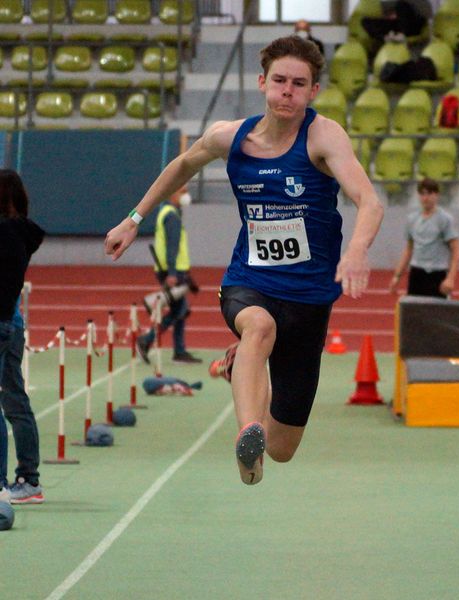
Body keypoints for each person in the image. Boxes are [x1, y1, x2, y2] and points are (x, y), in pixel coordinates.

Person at [104, 36, 384, 486]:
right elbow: (182, 165)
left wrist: (356, 249)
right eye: (279, 81)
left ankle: (246, 382)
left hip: (309, 300)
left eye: (299, 83)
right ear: (262, 83)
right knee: (259, 327)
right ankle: (246, 429)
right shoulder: (229, 136)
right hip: (248, 282)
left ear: (313, 91)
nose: (287, 91)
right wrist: (134, 218)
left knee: (283, 449)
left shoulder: (323, 136)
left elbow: (369, 201)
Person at [0, 169, 45, 504]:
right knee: (15, 400)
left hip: (2, 321)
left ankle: (1, 483)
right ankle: (29, 479)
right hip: (13, 322)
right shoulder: (23, 233)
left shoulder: (4, 233)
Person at [136, 187, 202, 364]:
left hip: (173, 270)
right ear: (172, 194)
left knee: (181, 309)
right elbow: (172, 248)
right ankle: (147, 340)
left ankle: (179, 351)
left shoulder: (167, 212)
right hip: (171, 272)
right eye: (182, 191)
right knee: (178, 310)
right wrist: (173, 273)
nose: (186, 195)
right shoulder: (171, 216)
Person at [389, 178, 459, 298]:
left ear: (436, 195)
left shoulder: (445, 219)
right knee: (415, 313)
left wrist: (450, 278)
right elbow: (409, 249)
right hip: (417, 273)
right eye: (422, 194)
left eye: (429, 193)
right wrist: (397, 276)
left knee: (437, 313)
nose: (425, 198)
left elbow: (456, 250)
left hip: (437, 274)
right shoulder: (412, 219)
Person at [361, 0, 432, 44]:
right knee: (365, 21)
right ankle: (385, 38)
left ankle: (401, 35)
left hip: (412, 25)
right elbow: (384, 11)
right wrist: (390, 15)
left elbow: (426, 13)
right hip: (396, 24)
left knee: (401, 4)